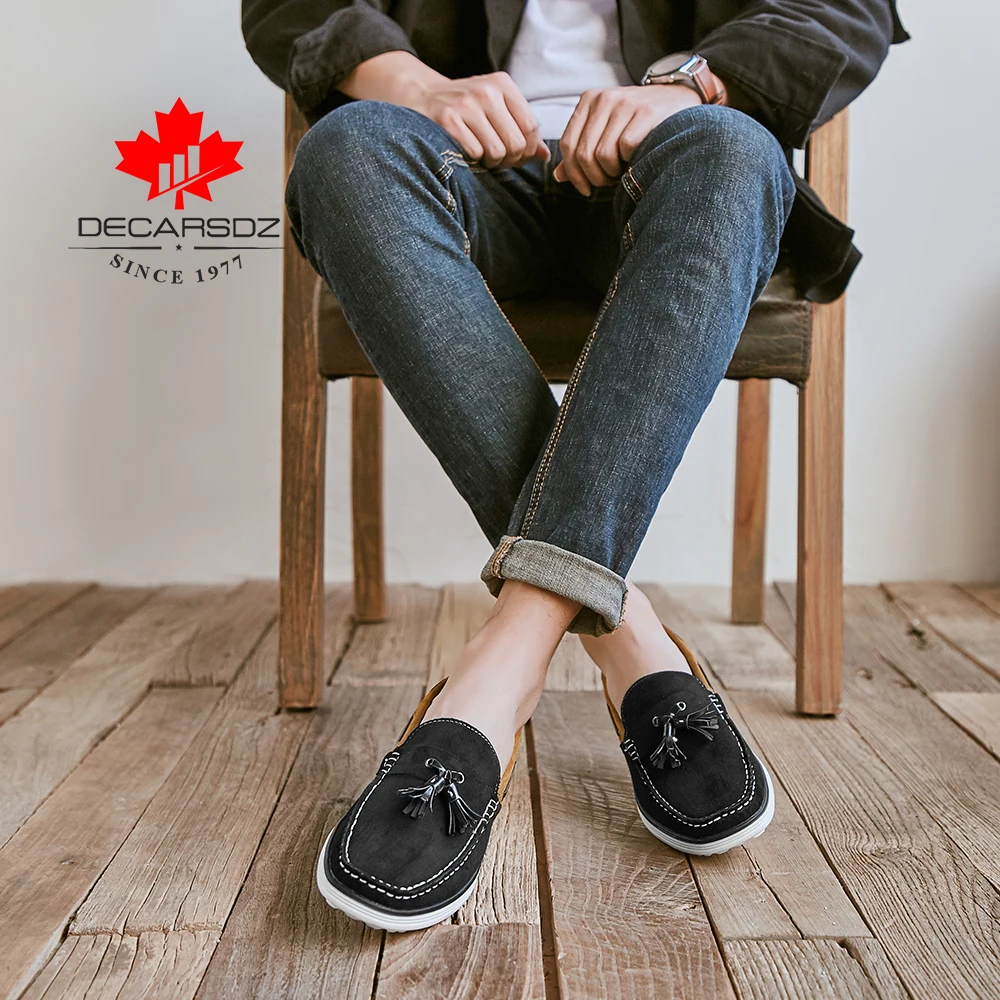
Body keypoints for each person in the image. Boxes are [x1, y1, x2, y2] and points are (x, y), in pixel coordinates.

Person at [243, 0, 908, 933]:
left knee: (735, 151)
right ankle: (629, 637)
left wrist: (688, 86)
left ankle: (495, 677)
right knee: (347, 150)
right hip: (466, 171)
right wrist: (418, 87)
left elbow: (850, 9)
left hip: (668, 167)